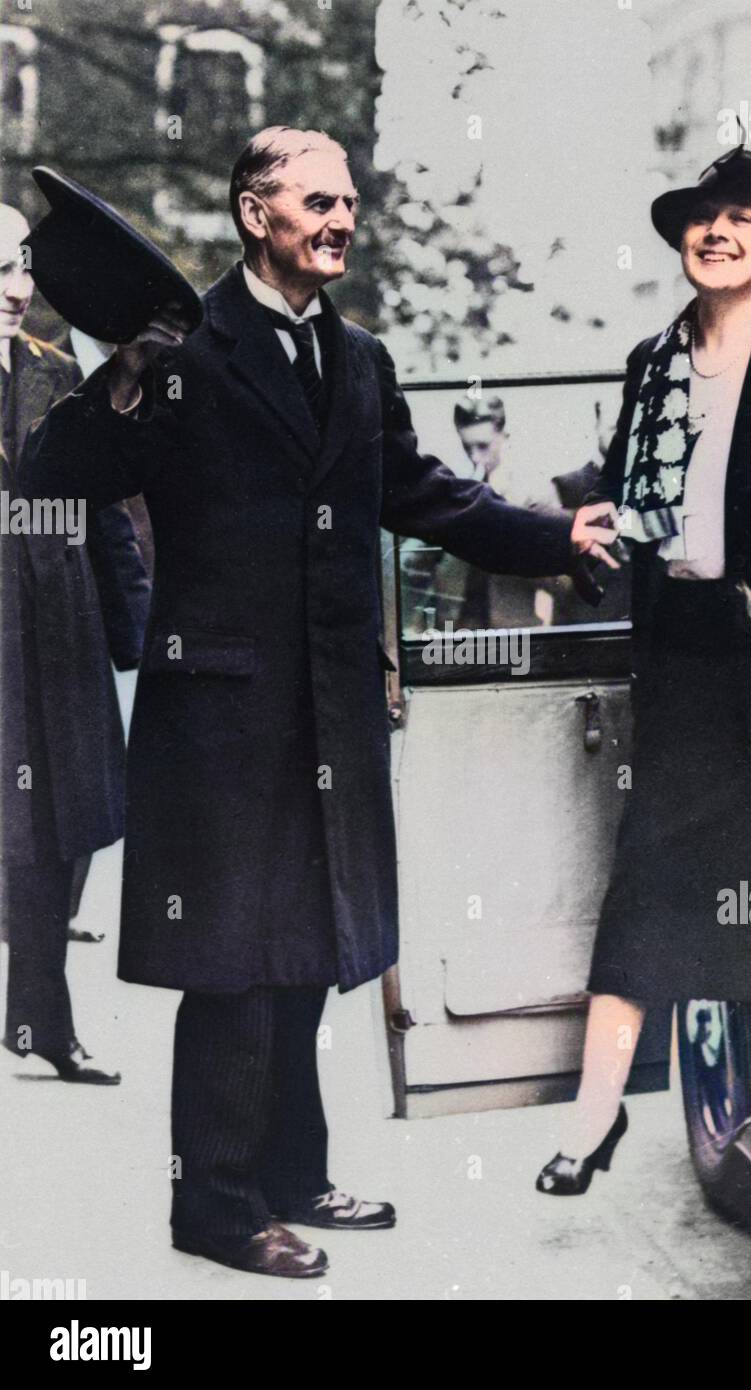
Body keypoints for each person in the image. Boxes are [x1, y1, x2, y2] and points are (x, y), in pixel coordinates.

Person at [20, 128, 615, 1278]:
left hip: (330, 706)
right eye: (318, 201)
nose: (342, 219)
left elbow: (421, 490)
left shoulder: (360, 358)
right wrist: (129, 376)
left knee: (306, 948)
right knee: (230, 964)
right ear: (255, 212)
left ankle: (293, 1172)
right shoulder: (184, 348)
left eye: (349, 203)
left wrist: (553, 535)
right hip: (220, 711)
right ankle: (215, 1206)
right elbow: (54, 477)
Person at [536, 145, 751, 1195]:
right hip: (687, 658)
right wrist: (582, 538)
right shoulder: (652, 362)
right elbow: (624, 494)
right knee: (648, 891)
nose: (716, 232)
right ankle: (592, 1115)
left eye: (741, 217)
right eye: (701, 217)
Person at [0, 202, 149, 1081]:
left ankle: (39, 1018)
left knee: (67, 824)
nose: (16, 289)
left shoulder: (56, 377)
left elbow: (103, 515)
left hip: (58, 630)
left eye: (21, 267)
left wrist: (135, 641)